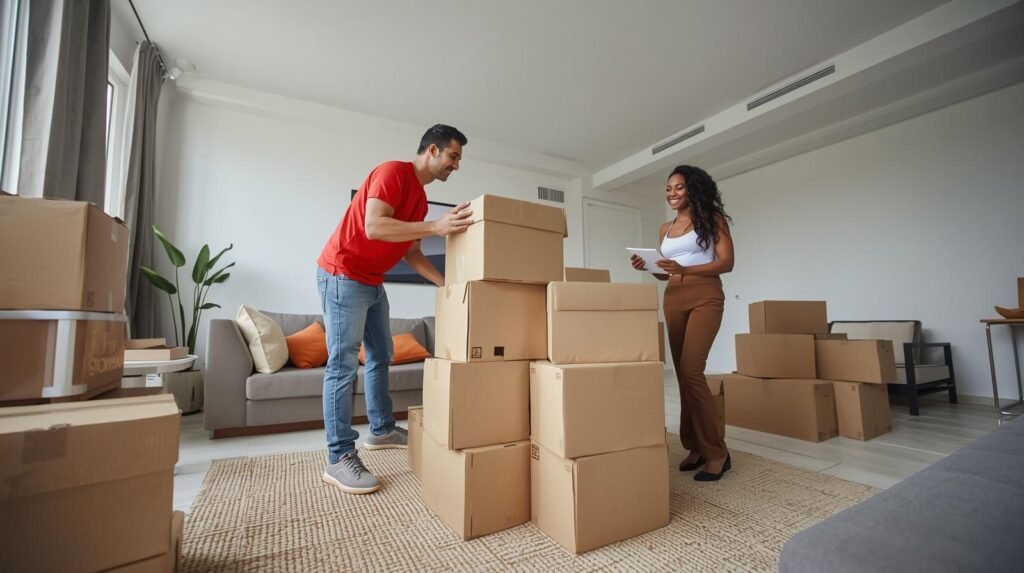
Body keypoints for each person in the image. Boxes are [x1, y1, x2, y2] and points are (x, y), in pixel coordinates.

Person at [316, 124, 472, 494]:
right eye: (453, 156)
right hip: (342, 274)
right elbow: (373, 226)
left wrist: (448, 287)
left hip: (371, 281)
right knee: (342, 363)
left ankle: (382, 429)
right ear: (432, 150)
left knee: (381, 355)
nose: (456, 165)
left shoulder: (418, 198)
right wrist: (436, 226)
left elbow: (411, 252)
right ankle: (339, 457)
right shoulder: (392, 173)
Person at [631, 165, 734, 481]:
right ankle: (696, 447)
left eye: (679, 187)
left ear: (694, 189)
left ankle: (717, 452)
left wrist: (683, 270)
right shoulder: (665, 228)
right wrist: (648, 267)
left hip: (706, 295)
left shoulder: (711, 219)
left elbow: (726, 263)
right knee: (683, 375)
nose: (672, 193)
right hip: (673, 296)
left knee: (692, 370)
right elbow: (667, 271)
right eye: (668, 189)